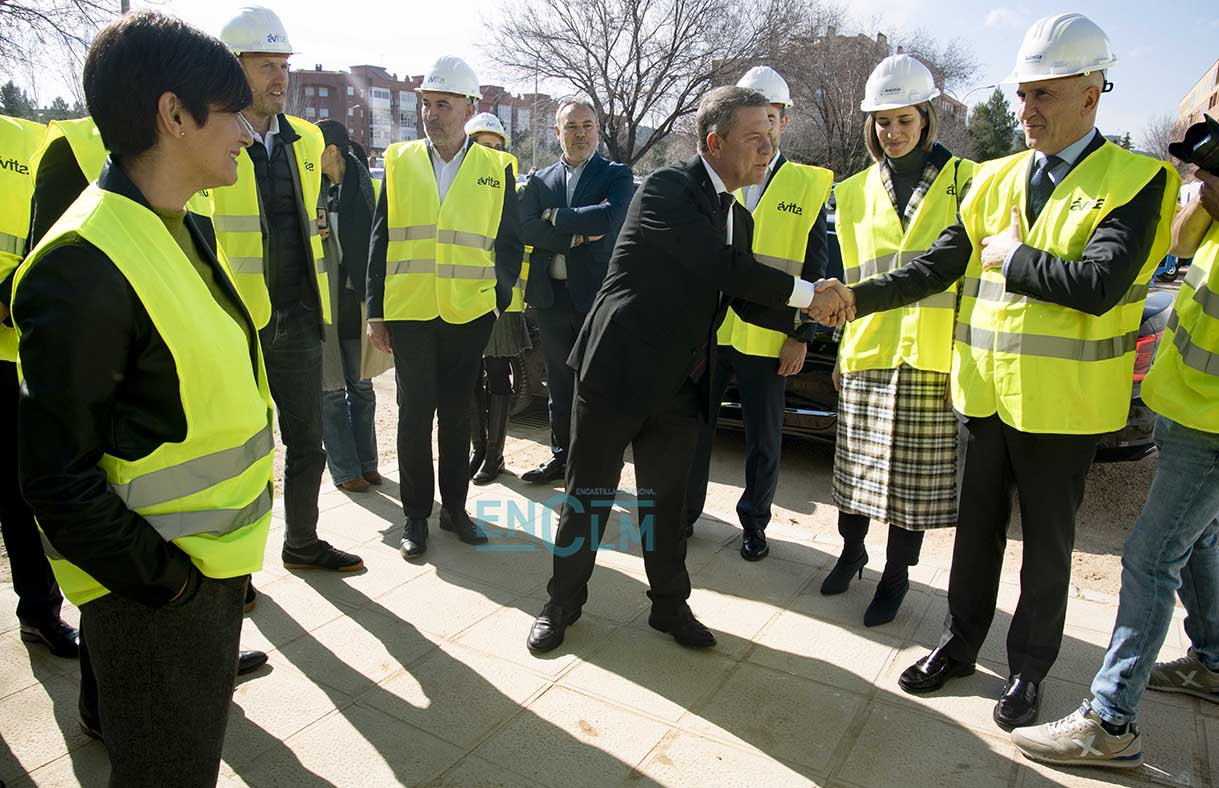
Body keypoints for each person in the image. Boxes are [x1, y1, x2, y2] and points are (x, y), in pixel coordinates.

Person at [814, 13, 1179, 730]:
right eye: (1022, 94)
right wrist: (857, 296)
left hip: (1063, 408)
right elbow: (934, 266)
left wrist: (1010, 257)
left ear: (1091, 94)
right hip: (981, 397)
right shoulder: (992, 179)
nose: (1027, 110)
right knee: (974, 536)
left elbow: (1097, 285)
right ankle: (957, 643)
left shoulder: (1136, 182)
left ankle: (1028, 671)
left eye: (1045, 94)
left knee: (1045, 549)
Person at [12, 11, 272, 783]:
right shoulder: (83, 263)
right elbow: (56, 477)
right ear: (174, 114)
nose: (248, 133)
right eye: (234, 114)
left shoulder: (180, 226)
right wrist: (171, 588)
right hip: (157, 601)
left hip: (206, 580)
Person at [526, 86, 828, 655]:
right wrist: (810, 292)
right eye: (755, 138)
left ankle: (668, 608)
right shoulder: (668, 186)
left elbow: (741, 295)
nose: (768, 149)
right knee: (588, 496)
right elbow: (718, 265)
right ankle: (561, 604)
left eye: (772, 135)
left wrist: (810, 314)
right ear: (714, 143)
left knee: (665, 507)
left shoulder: (736, 214)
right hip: (616, 372)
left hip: (681, 384)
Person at [1010, 167, 1219, 769]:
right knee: (1199, 538)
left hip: (1211, 424)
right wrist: (1207, 198)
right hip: (1183, 405)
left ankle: (1110, 722)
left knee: (1151, 559)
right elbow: (1180, 244)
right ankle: (1211, 661)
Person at [818, 55, 973, 626]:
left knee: (911, 484)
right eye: (883, 121)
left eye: (904, 119)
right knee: (855, 467)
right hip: (870, 347)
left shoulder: (967, 180)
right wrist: (839, 350)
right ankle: (851, 550)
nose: (894, 132)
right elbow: (848, 277)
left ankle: (897, 575)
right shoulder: (854, 190)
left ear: (927, 118)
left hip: (934, 353)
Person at [212, 6, 362, 572]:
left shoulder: (306, 137)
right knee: (237, 455)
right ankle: (231, 570)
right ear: (233, 69)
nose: (281, 78)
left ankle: (301, 541)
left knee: (308, 444)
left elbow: (322, 210)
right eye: (266, 66)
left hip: (298, 315)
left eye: (284, 66)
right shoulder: (209, 134)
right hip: (235, 324)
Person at [366, 56, 523, 559]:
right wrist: (376, 310)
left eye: (443, 104)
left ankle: (454, 509)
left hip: (469, 313)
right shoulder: (398, 158)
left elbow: (509, 241)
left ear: (469, 107)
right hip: (410, 311)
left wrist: (496, 302)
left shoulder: (497, 167)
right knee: (414, 415)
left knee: (457, 414)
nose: (432, 114)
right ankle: (416, 514)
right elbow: (380, 236)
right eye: (427, 104)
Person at [685, 66, 831, 563]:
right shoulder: (719, 171)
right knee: (696, 425)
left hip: (771, 337)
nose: (764, 131)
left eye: (772, 118)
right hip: (712, 329)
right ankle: (686, 513)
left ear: (784, 121)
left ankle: (754, 524)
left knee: (763, 439)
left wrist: (803, 334)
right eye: (755, 120)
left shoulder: (808, 186)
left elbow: (815, 267)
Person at [518, 99, 634, 485]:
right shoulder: (540, 180)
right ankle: (561, 458)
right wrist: (579, 235)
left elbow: (610, 217)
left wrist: (555, 218)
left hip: (596, 299)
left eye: (587, 126)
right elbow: (526, 227)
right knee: (559, 385)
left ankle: (597, 466)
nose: (580, 133)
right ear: (557, 133)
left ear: (597, 130)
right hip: (550, 298)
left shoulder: (616, 175)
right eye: (571, 127)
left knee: (598, 386)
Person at [0, 114, 78, 660]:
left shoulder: (32, 137)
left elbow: (48, 231)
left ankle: (39, 611)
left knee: (20, 489)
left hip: (14, 349)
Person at [316, 119, 382, 493]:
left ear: (333, 151)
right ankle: (345, 470)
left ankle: (368, 462)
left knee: (361, 386)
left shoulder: (368, 188)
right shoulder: (311, 191)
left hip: (358, 300)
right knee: (330, 391)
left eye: (316, 149)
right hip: (325, 301)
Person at [464, 112, 527, 485]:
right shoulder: (458, 191)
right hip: (465, 295)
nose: (489, 152)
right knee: (470, 375)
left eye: (496, 147)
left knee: (498, 374)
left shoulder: (515, 191)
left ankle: (495, 455)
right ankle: (478, 447)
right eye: (481, 145)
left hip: (503, 299)